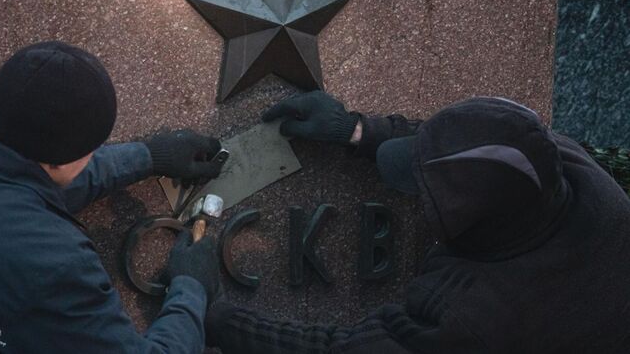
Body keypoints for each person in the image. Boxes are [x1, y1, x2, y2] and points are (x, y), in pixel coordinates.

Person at [204, 91, 630, 353]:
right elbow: (476, 141)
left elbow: (343, 351)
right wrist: (355, 129)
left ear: (472, 229)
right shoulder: (556, 162)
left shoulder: (479, 318)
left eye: (428, 196)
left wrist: (211, 317)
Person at [0, 41, 222, 353]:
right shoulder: (54, 265)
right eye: (92, 149)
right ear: (64, 161)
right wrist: (191, 287)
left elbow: (10, 177)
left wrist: (150, 157)